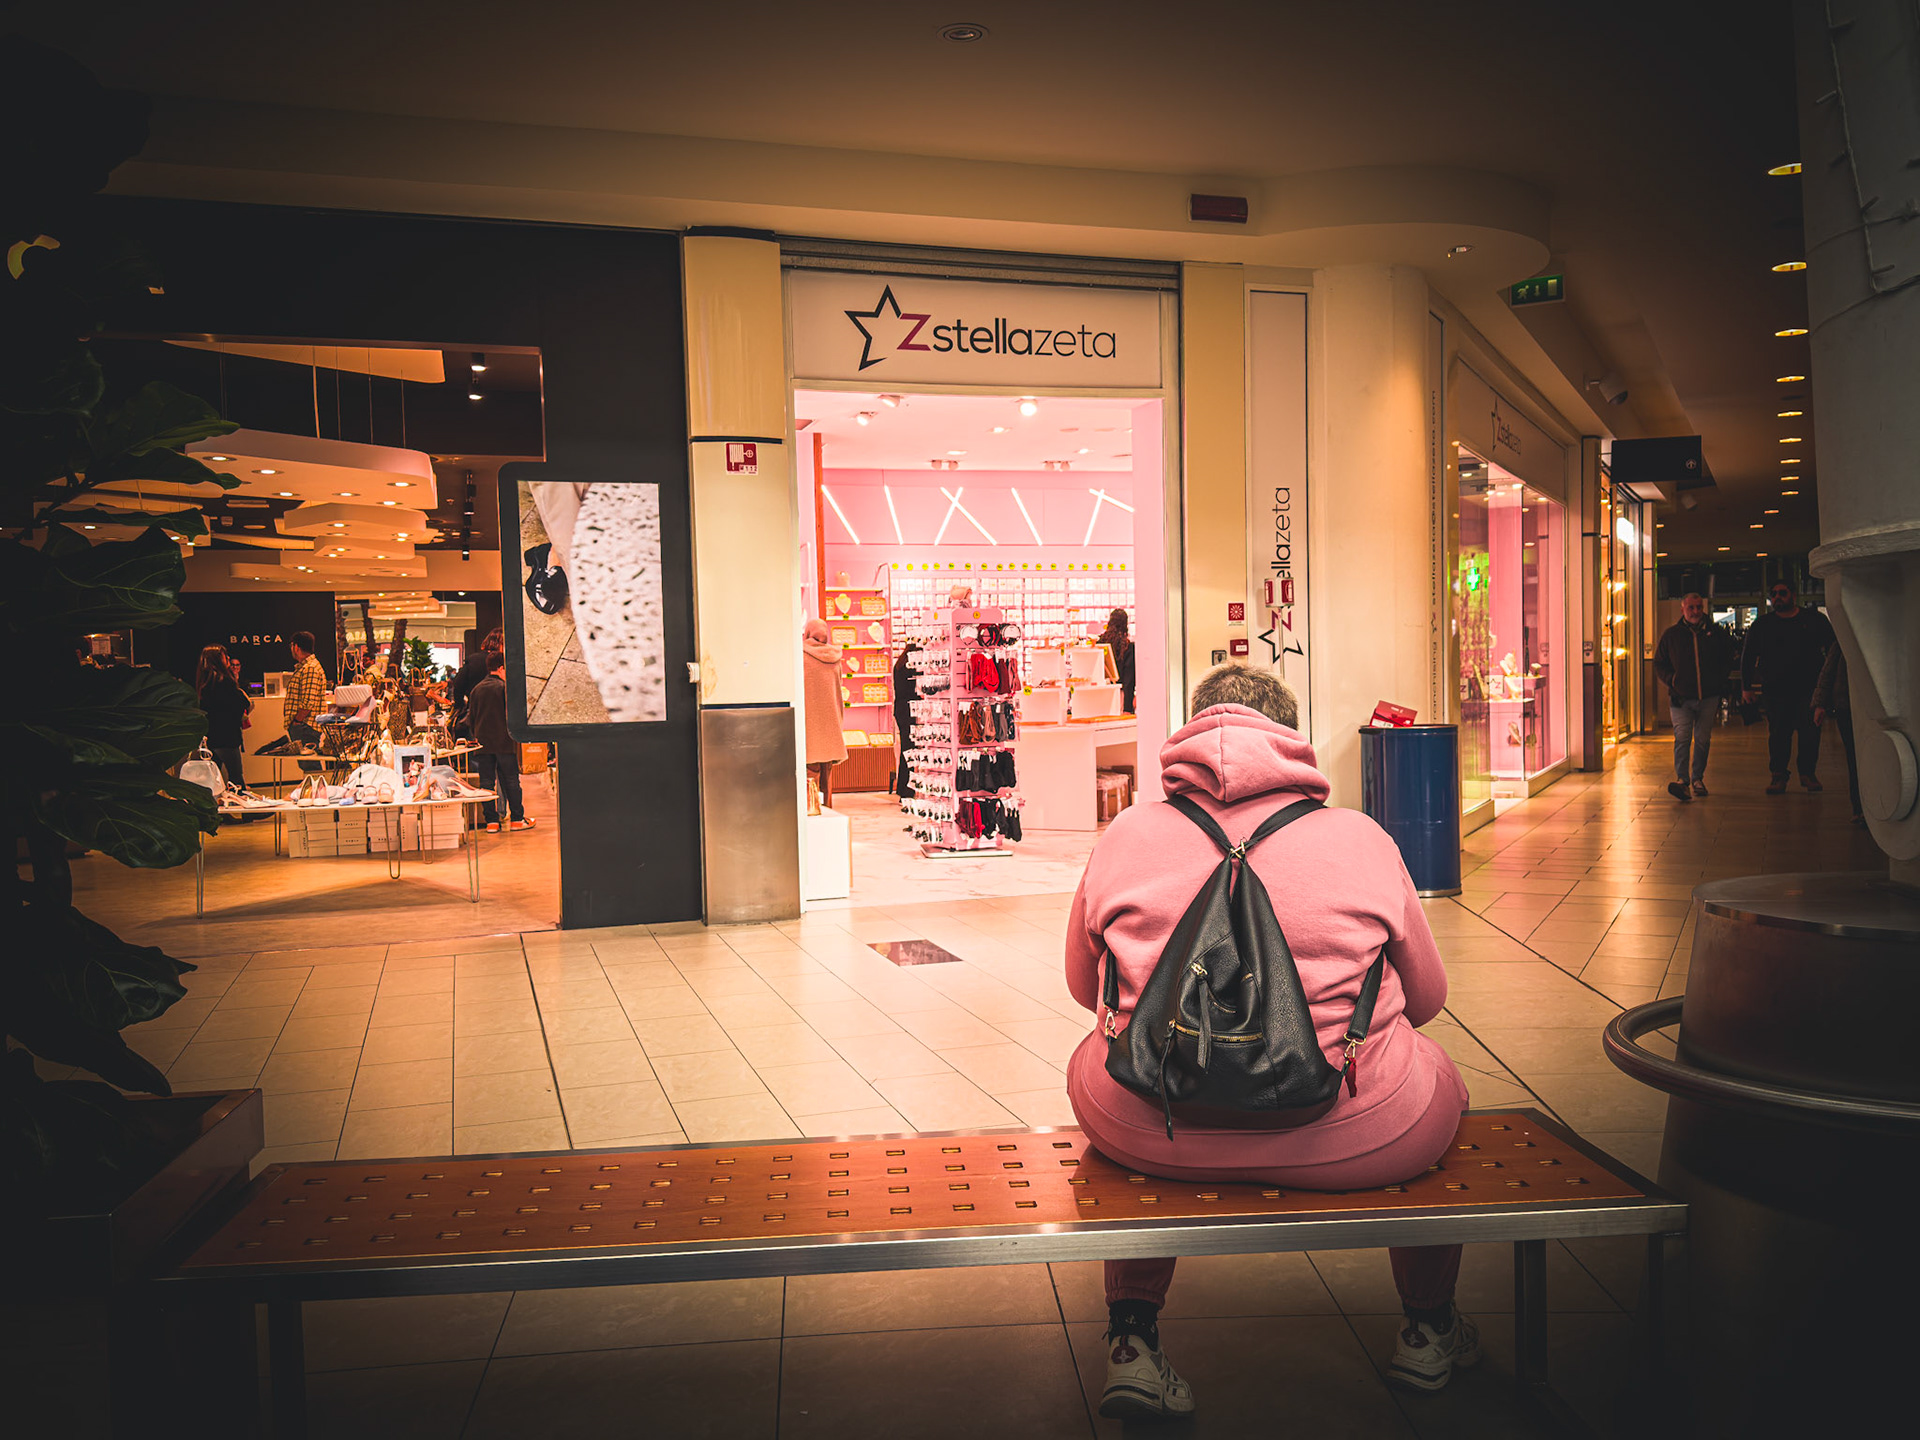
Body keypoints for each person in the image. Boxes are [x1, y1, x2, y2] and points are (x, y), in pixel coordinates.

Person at [1066, 664, 1472, 1417]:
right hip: (1352, 1133)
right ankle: (1427, 1325)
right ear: (1291, 737)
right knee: (1439, 1074)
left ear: (1191, 731)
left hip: (1153, 1129)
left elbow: (1076, 985)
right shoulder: (1360, 836)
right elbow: (1428, 1002)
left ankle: (1132, 1340)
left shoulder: (1125, 834)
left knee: (1097, 1064)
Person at [1740, 582, 1836, 794]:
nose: (1777, 598)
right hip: (1775, 691)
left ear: (1793, 595)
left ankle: (1807, 773)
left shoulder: (1813, 620)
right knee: (1778, 735)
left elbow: (1832, 650)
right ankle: (1778, 775)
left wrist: (1828, 687)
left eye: (1782, 593)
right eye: (1773, 595)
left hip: (1808, 690)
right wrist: (1746, 687)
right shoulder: (1763, 625)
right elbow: (1748, 657)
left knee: (1810, 733)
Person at [1652, 592, 1734, 802]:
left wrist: (1718, 680)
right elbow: (1659, 663)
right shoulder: (1672, 635)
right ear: (1683, 610)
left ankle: (1698, 778)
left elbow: (1727, 658)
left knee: (1703, 739)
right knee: (1682, 738)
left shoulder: (1715, 633)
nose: (1696, 611)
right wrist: (1673, 680)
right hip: (1680, 698)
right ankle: (1682, 780)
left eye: (1699, 607)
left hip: (1708, 697)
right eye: (1691, 608)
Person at [468, 648, 531, 832]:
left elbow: (471, 718)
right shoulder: (505, 689)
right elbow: (514, 716)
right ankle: (517, 820)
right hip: (504, 741)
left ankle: (492, 823)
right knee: (511, 780)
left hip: (483, 743)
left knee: (486, 782)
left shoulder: (476, 690)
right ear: (502, 668)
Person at [1813, 642, 1863, 826]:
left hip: (1849, 705)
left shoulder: (1844, 638)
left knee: (1855, 758)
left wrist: (1820, 703)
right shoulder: (1843, 640)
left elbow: (1828, 672)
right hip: (1847, 706)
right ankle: (1860, 807)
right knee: (1854, 757)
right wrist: (1820, 703)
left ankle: (1863, 808)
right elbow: (1828, 671)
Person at [802, 618, 848, 806]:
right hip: (831, 724)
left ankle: (812, 810)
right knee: (827, 774)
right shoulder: (835, 658)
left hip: (810, 722)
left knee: (809, 772)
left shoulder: (802, 656)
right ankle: (827, 808)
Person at [195, 644, 252, 789]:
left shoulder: (204, 683)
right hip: (227, 737)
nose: (227, 658)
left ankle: (218, 809)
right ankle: (247, 810)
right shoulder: (224, 681)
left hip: (211, 737)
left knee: (214, 779)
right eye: (224, 656)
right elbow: (243, 703)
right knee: (236, 778)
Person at [449, 628, 504, 740]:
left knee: (476, 749)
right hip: (501, 716)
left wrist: (460, 705)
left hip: (476, 714)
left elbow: (458, 684)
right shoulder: (505, 661)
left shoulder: (473, 660)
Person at [891, 640, 921, 800]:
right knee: (910, 750)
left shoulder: (899, 664)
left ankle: (904, 787)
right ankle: (907, 788)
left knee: (906, 749)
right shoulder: (913, 666)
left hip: (901, 709)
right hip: (911, 710)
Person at [1097, 608, 1136, 714]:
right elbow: (1129, 681)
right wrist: (1128, 708)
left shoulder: (1100, 643)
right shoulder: (1128, 647)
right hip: (1120, 697)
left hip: (1101, 694)